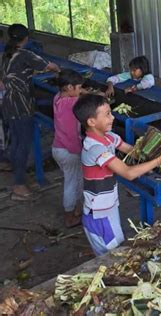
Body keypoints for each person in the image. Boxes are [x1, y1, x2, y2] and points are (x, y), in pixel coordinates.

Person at [73, 94, 161, 256]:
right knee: (112, 258)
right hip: (99, 215)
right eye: (107, 114)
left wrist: (158, 145)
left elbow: (133, 152)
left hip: (108, 207)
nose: (112, 117)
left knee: (115, 248)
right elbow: (128, 173)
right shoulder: (94, 149)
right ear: (91, 122)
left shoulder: (109, 138)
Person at [0, 24, 60, 201]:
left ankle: (20, 179)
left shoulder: (7, 54)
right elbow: (49, 66)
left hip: (8, 103)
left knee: (16, 142)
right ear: (25, 38)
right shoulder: (25, 54)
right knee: (23, 145)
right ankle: (18, 186)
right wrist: (59, 71)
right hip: (22, 106)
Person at [52, 69, 86, 228]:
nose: (80, 90)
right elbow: (71, 133)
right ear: (69, 88)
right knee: (71, 183)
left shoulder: (57, 97)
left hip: (58, 147)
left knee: (75, 179)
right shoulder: (72, 103)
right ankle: (69, 217)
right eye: (78, 87)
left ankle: (77, 210)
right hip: (69, 150)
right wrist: (79, 150)